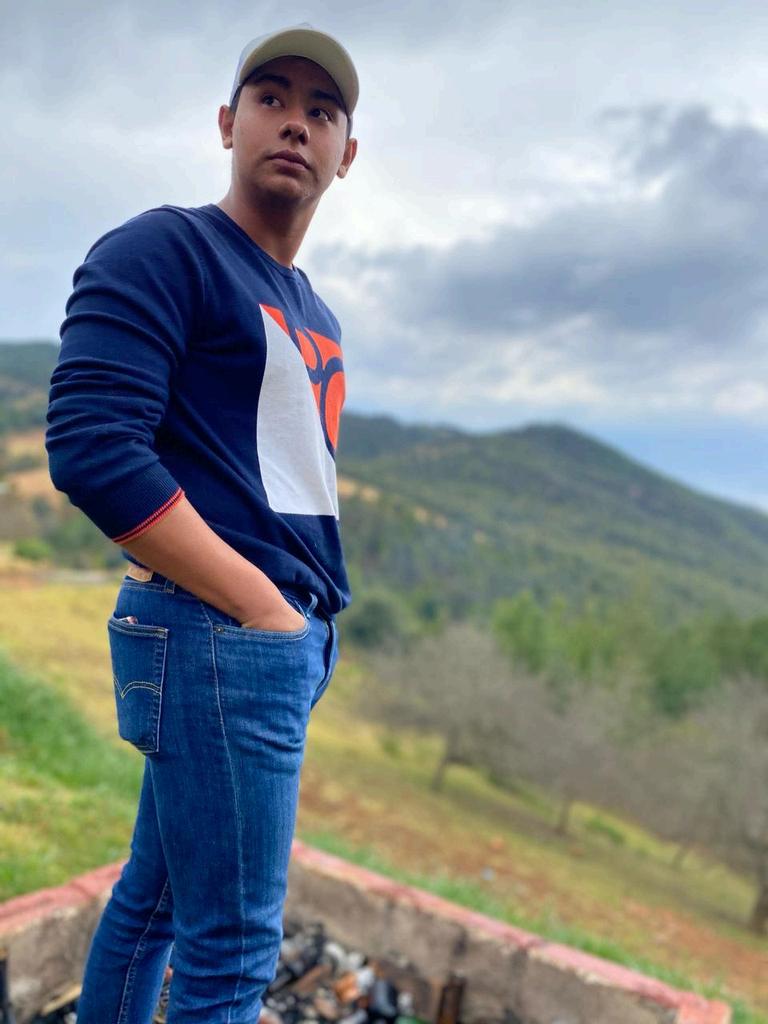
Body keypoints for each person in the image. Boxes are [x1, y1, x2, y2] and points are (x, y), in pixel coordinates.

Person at [44, 22, 359, 1023]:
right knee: (232, 954)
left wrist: (302, 624)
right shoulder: (166, 249)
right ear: (228, 123)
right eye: (271, 98)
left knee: (157, 903)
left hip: (273, 640)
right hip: (222, 634)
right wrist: (262, 607)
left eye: (321, 110)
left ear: (347, 153)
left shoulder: (314, 311)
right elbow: (93, 445)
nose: (295, 122)